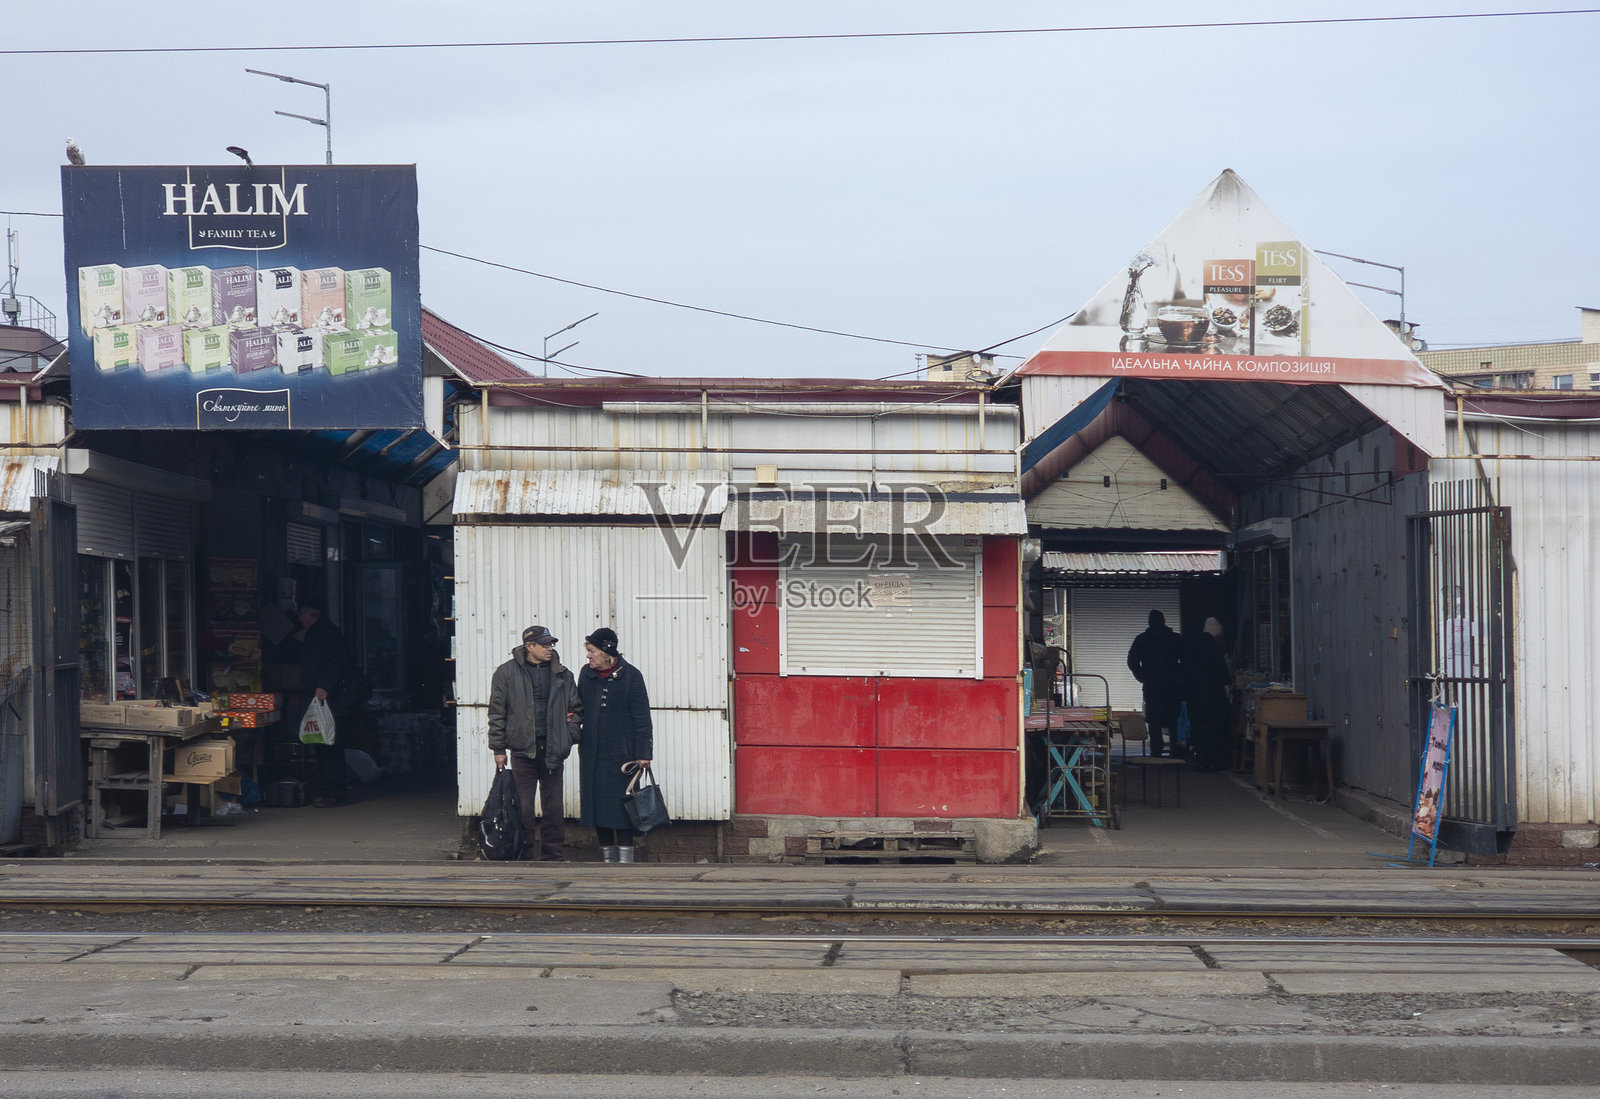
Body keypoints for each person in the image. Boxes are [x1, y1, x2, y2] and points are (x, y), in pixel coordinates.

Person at [488, 625, 582, 862]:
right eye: (544, 644)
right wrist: (498, 748)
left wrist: (568, 736)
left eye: (551, 644)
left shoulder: (563, 674)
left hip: (553, 750)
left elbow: (576, 710)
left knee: (554, 808)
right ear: (529, 646)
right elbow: (497, 711)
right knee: (523, 808)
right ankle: (524, 855)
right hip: (522, 751)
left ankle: (553, 855)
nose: (550, 648)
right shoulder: (506, 673)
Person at [576, 627, 653, 864]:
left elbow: (642, 718)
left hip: (623, 755)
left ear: (606, 652)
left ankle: (625, 861)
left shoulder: (631, 676)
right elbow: (578, 707)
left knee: (623, 805)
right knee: (598, 805)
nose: (588, 656)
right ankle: (607, 859)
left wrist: (644, 753)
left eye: (592, 651)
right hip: (592, 753)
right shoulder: (586, 674)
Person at [297, 600, 352, 807]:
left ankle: (334, 791)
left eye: (302, 615)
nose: (300, 619)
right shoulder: (317, 633)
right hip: (322, 696)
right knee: (324, 744)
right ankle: (331, 789)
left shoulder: (326, 633)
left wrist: (325, 686)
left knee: (330, 744)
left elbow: (338, 662)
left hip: (328, 698)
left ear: (311, 614)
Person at [1127, 609, 1183, 757]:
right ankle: (1176, 751)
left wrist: (1142, 676)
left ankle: (1156, 752)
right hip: (1173, 686)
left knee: (1154, 721)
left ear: (1149, 622)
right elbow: (1187, 661)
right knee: (1174, 720)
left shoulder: (1142, 639)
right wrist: (1180, 676)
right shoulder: (1176, 639)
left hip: (1152, 686)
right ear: (1164, 621)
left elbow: (1132, 661)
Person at [1180, 617, 1232, 771]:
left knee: (1199, 730)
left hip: (1195, 699)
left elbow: (1184, 675)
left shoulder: (1191, 652)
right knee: (1214, 731)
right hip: (1215, 699)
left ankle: (1201, 760)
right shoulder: (1216, 653)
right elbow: (1225, 677)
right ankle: (1215, 762)